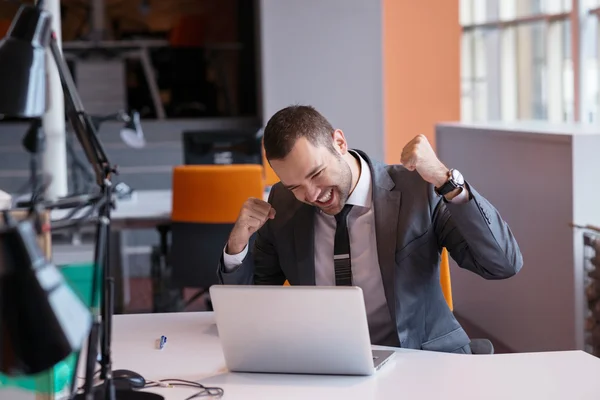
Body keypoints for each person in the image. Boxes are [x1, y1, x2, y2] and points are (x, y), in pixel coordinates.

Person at [217, 105, 522, 353]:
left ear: (339, 142)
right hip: (326, 366)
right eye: (295, 186)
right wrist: (236, 247)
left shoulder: (418, 191)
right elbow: (250, 309)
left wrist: (448, 183)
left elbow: (502, 264)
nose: (311, 195)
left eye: (317, 173)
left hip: (420, 363)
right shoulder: (283, 202)